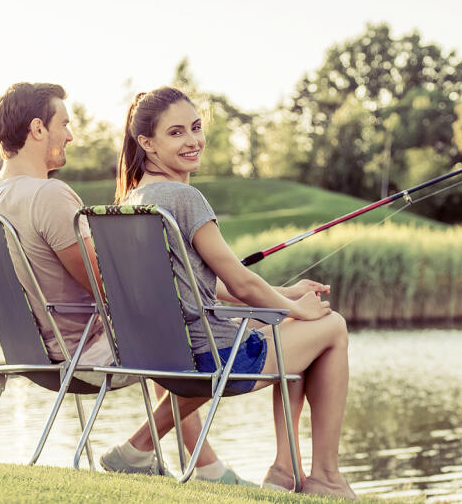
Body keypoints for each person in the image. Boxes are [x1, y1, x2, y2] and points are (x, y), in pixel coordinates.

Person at [0, 82, 252, 486]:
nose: (70, 134)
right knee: (208, 332)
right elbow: (114, 290)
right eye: (64, 123)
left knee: (172, 326)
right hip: (87, 354)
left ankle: (203, 466)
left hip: (33, 352)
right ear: (37, 129)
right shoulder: (48, 196)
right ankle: (156, 454)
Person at [104, 86, 356, 498]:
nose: (193, 141)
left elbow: (204, 285)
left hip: (166, 356)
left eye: (197, 128)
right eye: (177, 133)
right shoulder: (184, 199)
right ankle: (323, 476)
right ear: (146, 143)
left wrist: (286, 294)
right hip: (215, 358)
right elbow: (240, 282)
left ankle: (284, 470)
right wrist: (299, 309)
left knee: (293, 328)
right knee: (332, 326)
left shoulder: (133, 201)